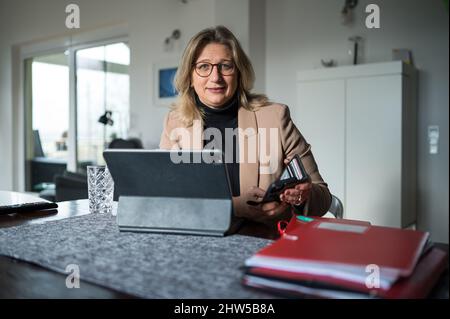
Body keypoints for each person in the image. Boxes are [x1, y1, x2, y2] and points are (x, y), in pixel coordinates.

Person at [160, 26, 331, 237]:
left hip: (264, 244)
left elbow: (323, 197)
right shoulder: (175, 123)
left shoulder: (275, 118)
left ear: (239, 72)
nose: (215, 77)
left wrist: (302, 196)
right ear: (190, 76)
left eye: (225, 66)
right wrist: (238, 207)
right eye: (204, 67)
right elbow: (163, 199)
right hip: (195, 243)